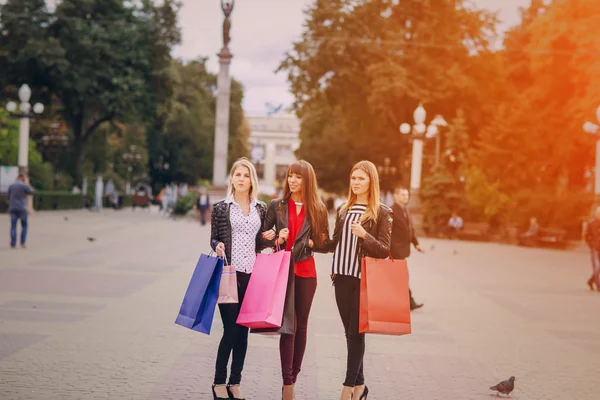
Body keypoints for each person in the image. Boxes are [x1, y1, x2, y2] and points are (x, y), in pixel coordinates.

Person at [262, 161, 330, 400]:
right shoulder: (277, 206)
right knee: (287, 327)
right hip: (283, 271)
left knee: (301, 326)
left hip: (306, 274)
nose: (292, 180)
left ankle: (293, 377)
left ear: (307, 180)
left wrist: (313, 243)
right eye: (290, 176)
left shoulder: (318, 209)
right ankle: (287, 383)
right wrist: (274, 239)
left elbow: (326, 244)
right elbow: (261, 239)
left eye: (298, 177)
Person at [210, 158, 275, 400]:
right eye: (237, 174)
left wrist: (274, 236)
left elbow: (261, 242)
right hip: (229, 274)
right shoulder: (221, 208)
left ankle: (234, 382)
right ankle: (218, 381)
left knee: (244, 331)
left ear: (251, 181)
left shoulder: (261, 208)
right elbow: (214, 238)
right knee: (231, 330)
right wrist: (217, 246)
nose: (240, 178)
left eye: (245, 175)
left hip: (252, 276)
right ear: (231, 179)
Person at [328, 161, 393, 400]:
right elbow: (334, 242)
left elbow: (385, 250)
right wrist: (312, 242)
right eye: (353, 178)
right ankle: (361, 387)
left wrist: (365, 236)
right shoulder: (344, 209)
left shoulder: (382, 212)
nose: (355, 182)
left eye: (361, 179)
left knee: (356, 333)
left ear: (371, 182)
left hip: (363, 278)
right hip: (341, 276)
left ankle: (347, 389)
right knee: (350, 333)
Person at [390, 186, 424, 311]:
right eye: (403, 195)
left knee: (400, 277)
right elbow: (387, 231)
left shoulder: (405, 210)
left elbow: (410, 229)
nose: (406, 197)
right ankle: (408, 302)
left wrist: (416, 244)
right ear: (395, 195)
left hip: (402, 250)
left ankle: (407, 302)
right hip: (395, 250)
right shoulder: (391, 211)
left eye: (407, 195)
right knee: (401, 277)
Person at [8, 174, 34, 249]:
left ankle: (13, 243)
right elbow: (31, 192)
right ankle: (22, 242)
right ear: (22, 178)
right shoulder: (24, 186)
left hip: (13, 208)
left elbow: (9, 196)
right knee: (24, 225)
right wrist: (27, 183)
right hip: (22, 208)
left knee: (13, 226)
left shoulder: (11, 186)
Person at [584, 205, 600, 292]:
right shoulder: (591, 223)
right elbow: (586, 236)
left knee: (599, 267)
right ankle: (598, 285)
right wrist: (591, 244)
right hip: (594, 247)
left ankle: (590, 281)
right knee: (597, 266)